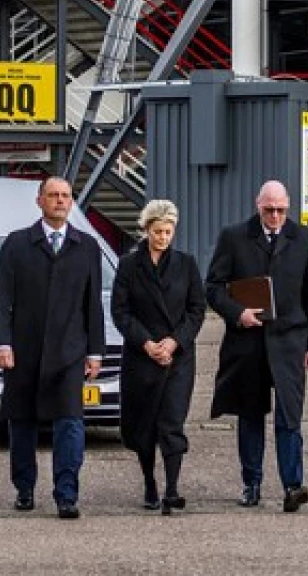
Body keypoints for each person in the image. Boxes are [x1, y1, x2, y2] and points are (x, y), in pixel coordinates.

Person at [206, 181, 308, 513]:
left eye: (281, 210)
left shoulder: (302, 238)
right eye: (269, 210)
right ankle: (251, 483)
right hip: (249, 341)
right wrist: (237, 313)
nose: (275, 216)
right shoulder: (234, 236)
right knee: (250, 414)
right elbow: (213, 287)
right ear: (258, 205)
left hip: (290, 340)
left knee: (290, 415)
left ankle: (292, 486)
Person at [0, 178, 106, 520]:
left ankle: (67, 494)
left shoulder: (86, 246)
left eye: (65, 196)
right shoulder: (17, 244)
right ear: (39, 200)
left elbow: (93, 303)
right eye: (53, 195)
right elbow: (2, 298)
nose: (59, 201)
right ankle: (24, 488)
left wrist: (95, 352)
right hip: (24, 349)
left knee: (70, 422)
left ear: (72, 203)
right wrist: (2, 342)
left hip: (69, 351)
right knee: (22, 421)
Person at [110, 200, 206, 515]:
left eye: (168, 232)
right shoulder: (128, 265)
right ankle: (150, 483)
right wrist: (147, 343)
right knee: (144, 424)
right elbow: (120, 312)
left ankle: (173, 489)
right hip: (141, 357)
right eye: (158, 232)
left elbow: (196, 310)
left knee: (172, 421)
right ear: (146, 229)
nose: (163, 238)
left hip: (177, 358)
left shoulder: (186, 264)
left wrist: (174, 341)